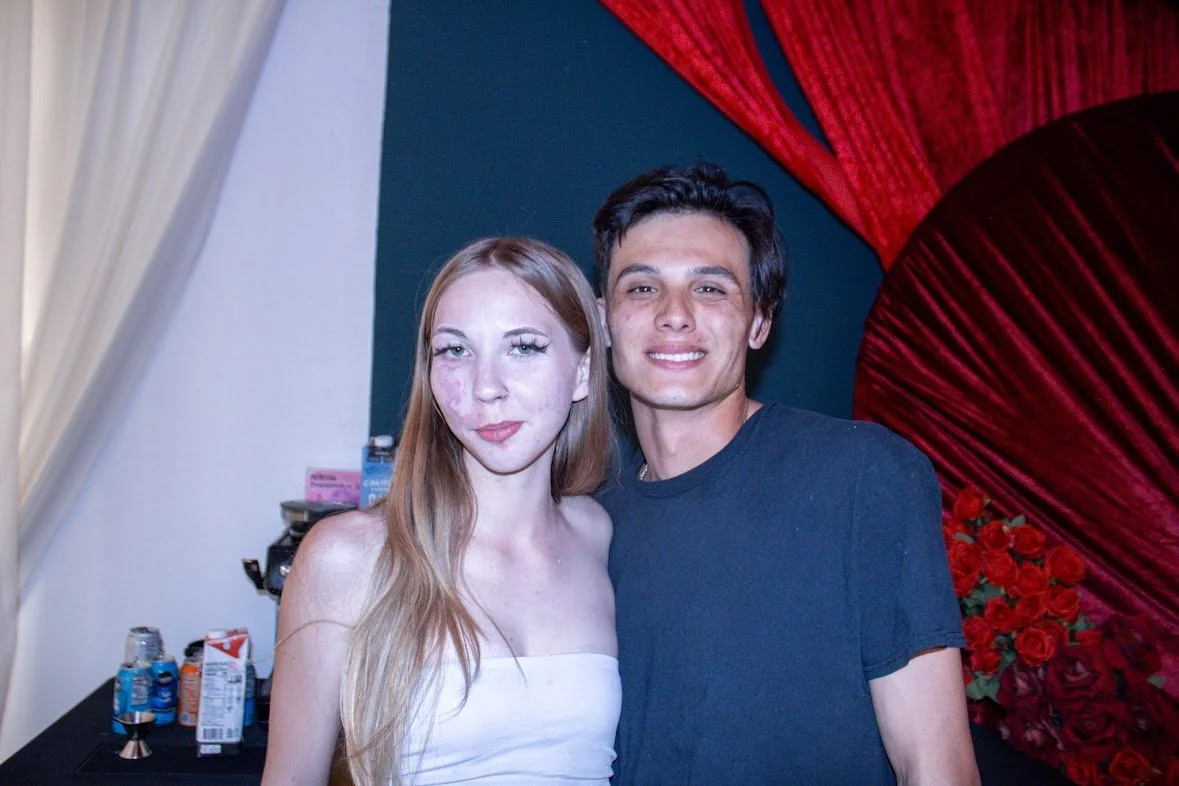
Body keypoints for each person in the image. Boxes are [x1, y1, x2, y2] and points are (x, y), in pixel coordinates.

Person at [592, 162, 980, 785]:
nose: (674, 314)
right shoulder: (589, 525)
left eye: (711, 288)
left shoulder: (862, 476)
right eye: (642, 288)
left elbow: (935, 767)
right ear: (605, 319)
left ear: (760, 321)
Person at [262, 237, 619, 786]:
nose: (486, 387)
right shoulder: (347, 558)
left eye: (523, 347)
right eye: (455, 350)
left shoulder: (597, 534)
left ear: (583, 371)